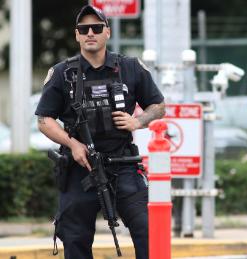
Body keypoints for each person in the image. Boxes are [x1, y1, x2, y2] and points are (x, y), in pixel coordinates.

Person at [35, 5, 165, 259]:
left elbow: (158, 106)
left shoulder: (130, 67)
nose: (90, 33)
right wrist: (72, 144)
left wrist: (138, 121)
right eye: (84, 29)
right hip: (79, 167)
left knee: (148, 228)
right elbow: (44, 119)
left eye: (96, 28)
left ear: (107, 32)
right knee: (75, 237)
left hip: (123, 163)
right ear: (77, 35)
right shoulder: (63, 73)